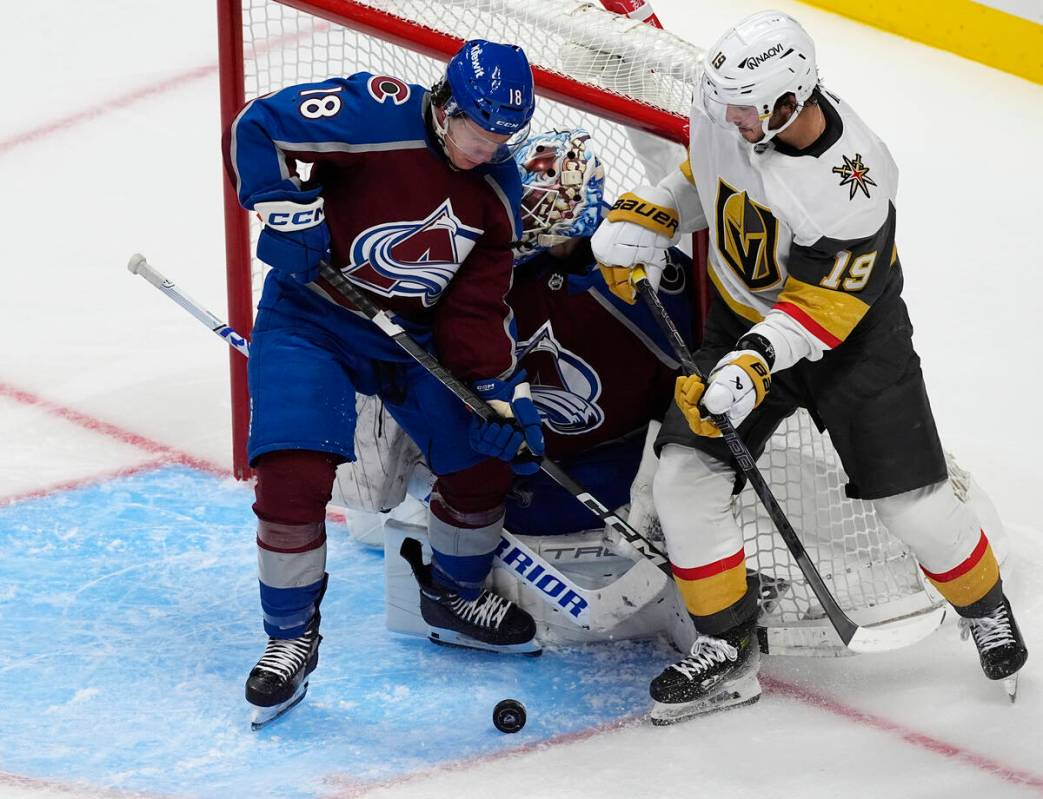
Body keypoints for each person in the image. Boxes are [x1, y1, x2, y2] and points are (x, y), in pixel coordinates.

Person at [591, 9, 1028, 724]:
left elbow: (822, 309)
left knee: (911, 507)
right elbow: (702, 177)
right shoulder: (725, 113)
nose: (724, 117)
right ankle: (725, 647)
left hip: (853, 335)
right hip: (742, 321)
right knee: (682, 476)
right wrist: (651, 214)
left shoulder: (853, 180)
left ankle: (985, 608)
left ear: (788, 102)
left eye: (742, 108)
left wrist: (753, 365)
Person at [223, 39, 545, 728]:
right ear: (446, 105)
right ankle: (290, 637)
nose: (487, 148)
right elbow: (257, 126)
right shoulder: (372, 113)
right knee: (291, 470)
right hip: (311, 317)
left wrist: (495, 390)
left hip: (412, 341)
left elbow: (475, 305)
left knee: (482, 461)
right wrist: (284, 206)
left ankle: (453, 595)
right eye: (477, 130)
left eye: (502, 137)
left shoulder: (497, 190)